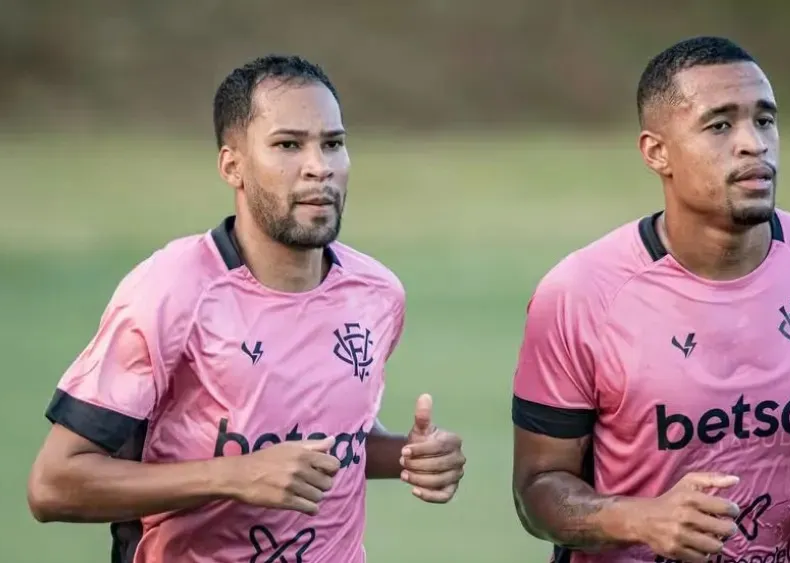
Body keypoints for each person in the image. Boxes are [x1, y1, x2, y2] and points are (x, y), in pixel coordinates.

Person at [26, 54, 466, 563]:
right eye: (287, 145)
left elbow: (321, 443)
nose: (319, 167)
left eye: (333, 144)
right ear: (231, 165)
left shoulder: (377, 293)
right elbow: (54, 484)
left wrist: (408, 457)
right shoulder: (170, 292)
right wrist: (234, 477)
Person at [510, 36, 790, 563]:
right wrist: (641, 519)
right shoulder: (580, 295)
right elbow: (536, 492)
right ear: (656, 152)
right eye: (720, 125)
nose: (754, 143)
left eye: (765, 120)